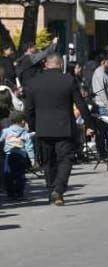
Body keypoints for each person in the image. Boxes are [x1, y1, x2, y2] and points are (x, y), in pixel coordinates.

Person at [22, 53, 91, 205]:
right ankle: (58, 190)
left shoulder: (33, 83)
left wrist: (33, 126)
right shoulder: (68, 80)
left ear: (46, 64)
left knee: (48, 162)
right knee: (65, 159)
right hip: (64, 127)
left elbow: (29, 109)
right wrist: (90, 122)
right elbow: (81, 104)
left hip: (43, 128)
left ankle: (51, 191)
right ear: (60, 65)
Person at [2, 111, 35, 198]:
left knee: (8, 174)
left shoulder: (5, 131)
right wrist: (32, 159)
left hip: (9, 155)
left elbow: (1, 140)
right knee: (20, 175)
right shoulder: (25, 133)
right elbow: (29, 147)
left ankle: (11, 194)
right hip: (21, 156)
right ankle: (19, 193)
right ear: (23, 121)